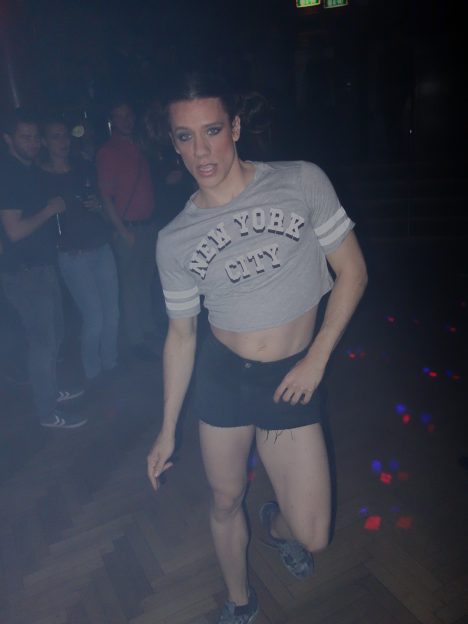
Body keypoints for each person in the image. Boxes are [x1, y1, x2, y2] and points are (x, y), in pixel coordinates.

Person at [146, 73, 368, 624]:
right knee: (224, 500)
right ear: (173, 143)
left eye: (213, 130)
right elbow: (181, 335)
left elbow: (353, 272)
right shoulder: (174, 239)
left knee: (313, 533)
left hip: (294, 375)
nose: (201, 150)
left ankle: (275, 524)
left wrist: (317, 357)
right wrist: (167, 428)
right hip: (224, 379)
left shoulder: (300, 181)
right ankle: (240, 602)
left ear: (236, 127)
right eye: (185, 137)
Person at [0, 109, 86, 429]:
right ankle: (47, 412)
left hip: (41, 266)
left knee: (55, 335)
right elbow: (14, 231)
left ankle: (49, 390)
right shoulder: (9, 173)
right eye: (26, 137)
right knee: (43, 342)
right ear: (8, 139)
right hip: (25, 273)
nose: (34, 142)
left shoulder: (26, 170)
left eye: (36, 136)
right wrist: (50, 210)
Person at [40, 117, 119, 387]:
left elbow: (99, 203)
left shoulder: (82, 167)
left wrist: (98, 206)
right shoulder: (40, 177)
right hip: (73, 256)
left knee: (113, 313)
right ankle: (92, 372)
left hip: (101, 247)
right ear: (44, 142)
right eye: (55, 136)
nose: (62, 141)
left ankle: (110, 364)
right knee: (94, 317)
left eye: (65, 135)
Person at [96, 100, 158, 361]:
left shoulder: (139, 146)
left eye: (128, 115)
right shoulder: (108, 152)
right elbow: (105, 197)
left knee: (145, 281)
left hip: (148, 226)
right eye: (120, 116)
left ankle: (149, 331)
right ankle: (136, 342)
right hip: (129, 229)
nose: (126, 120)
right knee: (131, 287)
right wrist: (123, 232)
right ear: (112, 121)